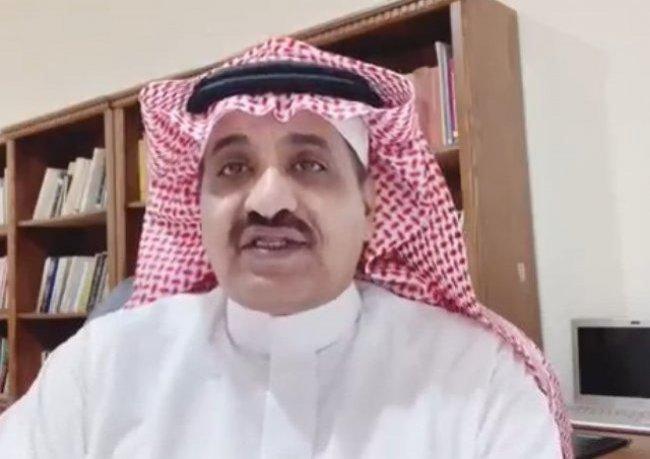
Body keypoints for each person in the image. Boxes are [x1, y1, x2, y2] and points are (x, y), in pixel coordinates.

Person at [0, 37, 572, 458]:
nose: (268, 201)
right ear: (196, 202)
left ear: (370, 203)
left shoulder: (478, 377)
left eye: (309, 164)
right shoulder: (100, 367)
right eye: (233, 167)